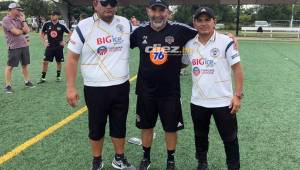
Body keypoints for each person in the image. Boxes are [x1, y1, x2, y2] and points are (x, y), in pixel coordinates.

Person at [66, 0, 135, 170]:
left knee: (119, 124)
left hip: (121, 85)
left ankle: (119, 158)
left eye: (112, 2)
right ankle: (97, 161)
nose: (109, 6)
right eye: (105, 2)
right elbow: (72, 58)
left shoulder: (125, 23)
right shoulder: (84, 26)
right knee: (96, 126)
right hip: (95, 88)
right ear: (95, 3)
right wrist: (71, 87)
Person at [130, 1, 199, 169]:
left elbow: (205, 32)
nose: (158, 14)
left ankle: (171, 160)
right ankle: (146, 158)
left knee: (170, 128)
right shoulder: (139, 32)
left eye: (162, 10)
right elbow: (119, 46)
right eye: (154, 10)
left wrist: (227, 37)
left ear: (168, 12)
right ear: (148, 11)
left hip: (170, 92)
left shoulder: (180, 30)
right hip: (146, 90)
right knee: (146, 126)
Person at [182, 7, 244, 170]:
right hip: (198, 101)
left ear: (214, 22)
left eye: (207, 20)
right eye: (199, 20)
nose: (203, 24)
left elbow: (237, 69)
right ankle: (202, 163)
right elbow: (181, 63)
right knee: (200, 136)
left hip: (223, 102)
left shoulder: (226, 41)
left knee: (230, 138)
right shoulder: (189, 44)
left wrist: (237, 95)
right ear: (194, 23)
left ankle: (233, 166)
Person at [2, 3, 34, 93]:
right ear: (12, 10)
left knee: (25, 65)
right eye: (18, 9)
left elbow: (27, 30)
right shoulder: (6, 19)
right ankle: (8, 86)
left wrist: (23, 21)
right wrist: (22, 31)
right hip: (14, 46)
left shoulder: (20, 19)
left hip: (24, 45)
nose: (19, 11)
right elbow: (15, 32)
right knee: (10, 66)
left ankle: (27, 81)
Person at [38, 11, 72, 84]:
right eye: (51, 15)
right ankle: (43, 78)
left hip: (59, 47)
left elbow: (70, 33)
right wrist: (44, 42)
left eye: (54, 15)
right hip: (49, 47)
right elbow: (41, 33)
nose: (52, 16)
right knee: (45, 62)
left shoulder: (62, 25)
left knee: (59, 62)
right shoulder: (47, 24)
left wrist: (65, 42)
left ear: (58, 16)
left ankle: (58, 77)